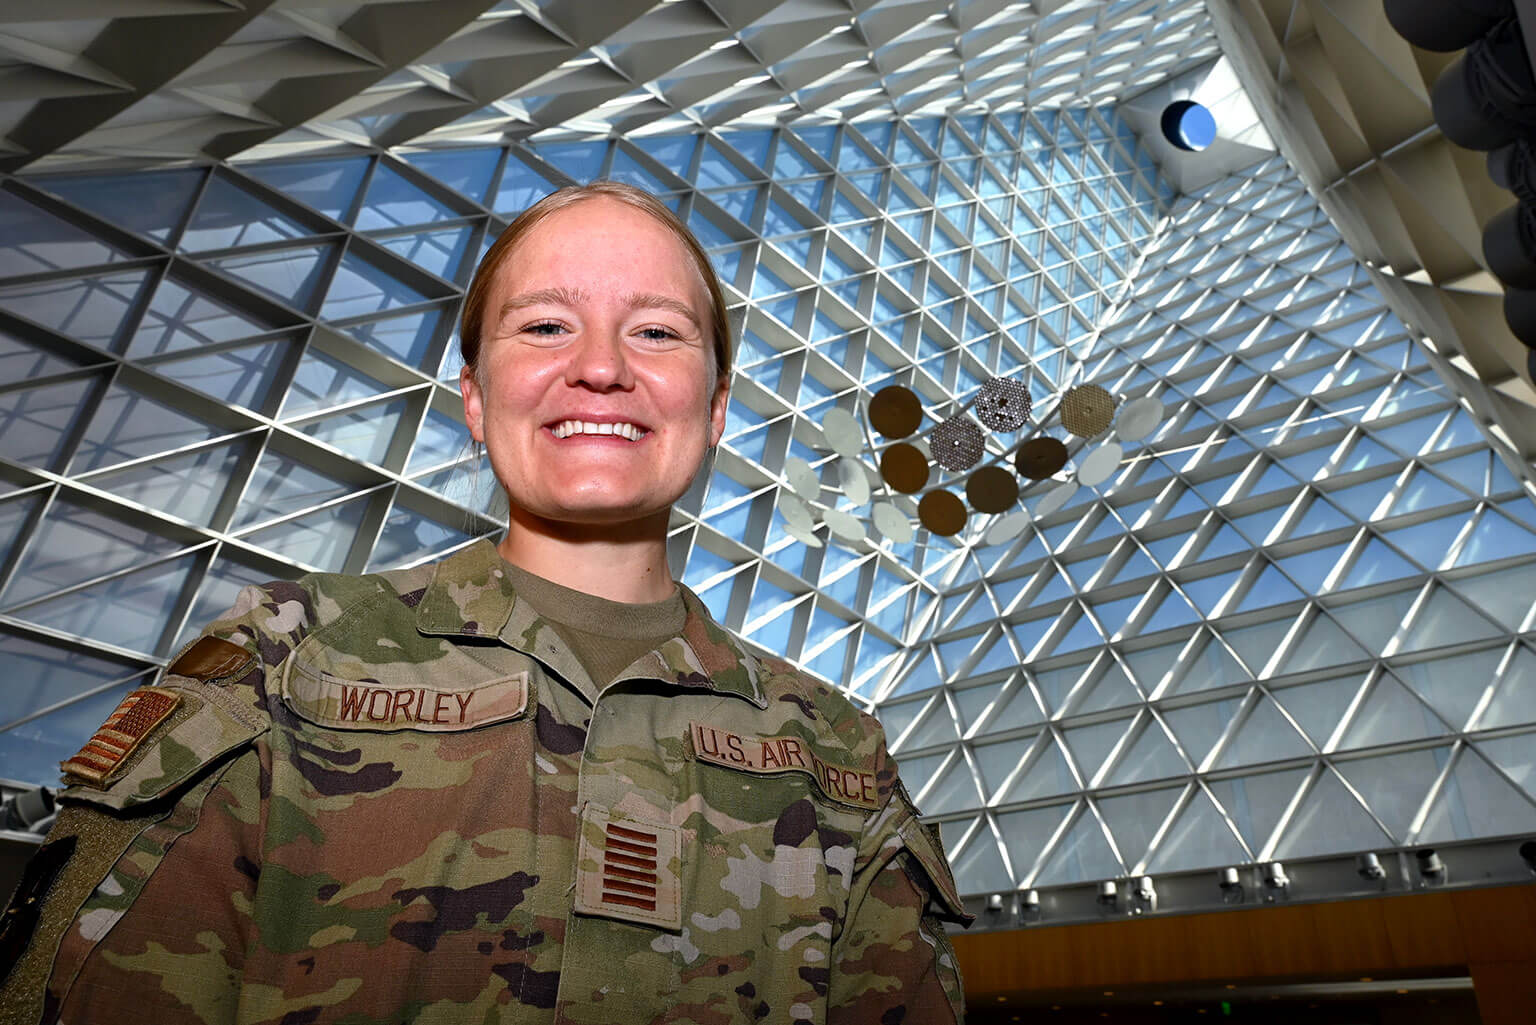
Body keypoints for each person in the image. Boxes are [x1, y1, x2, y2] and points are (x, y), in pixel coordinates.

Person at [0, 181, 971, 1024]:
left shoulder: (837, 753)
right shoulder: (287, 659)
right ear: (474, 396)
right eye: (546, 324)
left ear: (714, 408)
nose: (601, 365)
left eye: (658, 330)